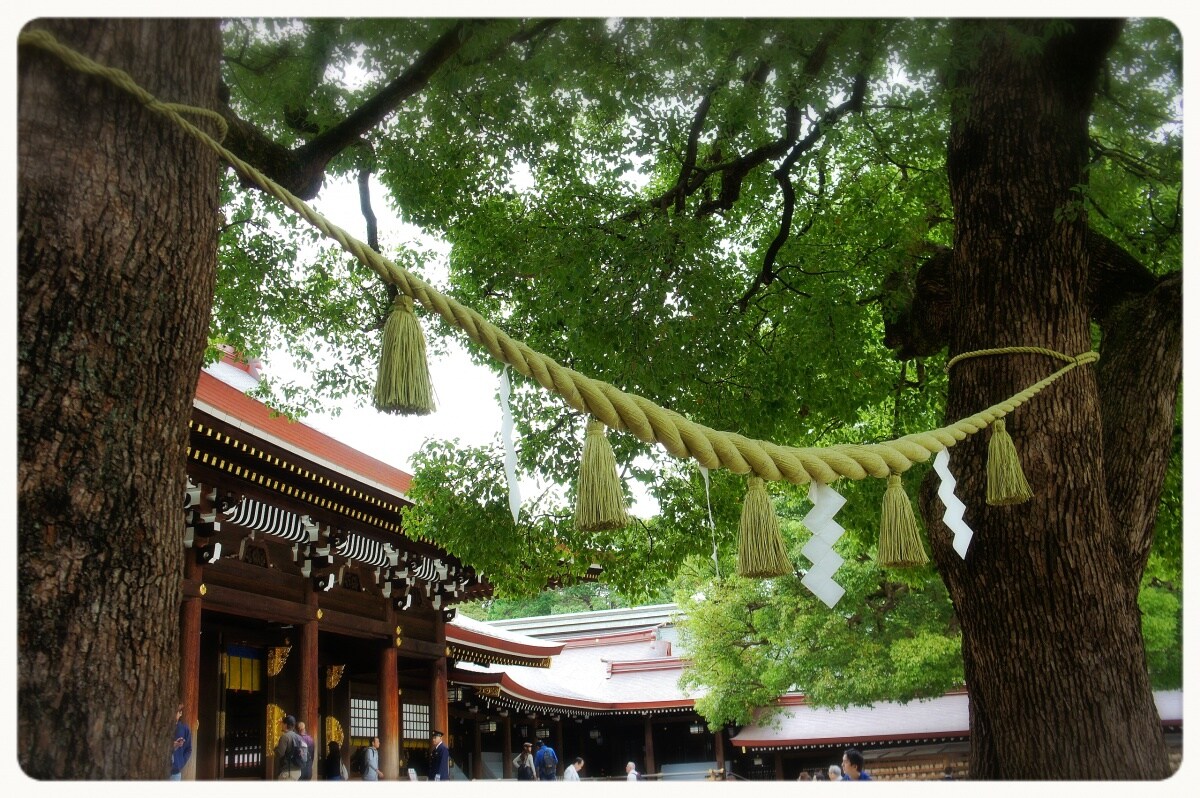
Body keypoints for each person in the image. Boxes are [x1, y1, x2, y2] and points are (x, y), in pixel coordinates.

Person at [275, 715, 305, 780]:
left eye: (282, 724)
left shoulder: (285, 737)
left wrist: (275, 748)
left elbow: (280, 754)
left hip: (288, 772)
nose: (282, 725)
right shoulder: (299, 737)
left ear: (285, 725)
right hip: (298, 771)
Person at [169, 703, 192, 781]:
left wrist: (181, 762)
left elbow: (189, 749)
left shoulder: (185, 729)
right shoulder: (162, 727)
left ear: (180, 713)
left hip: (175, 772)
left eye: (176, 711)